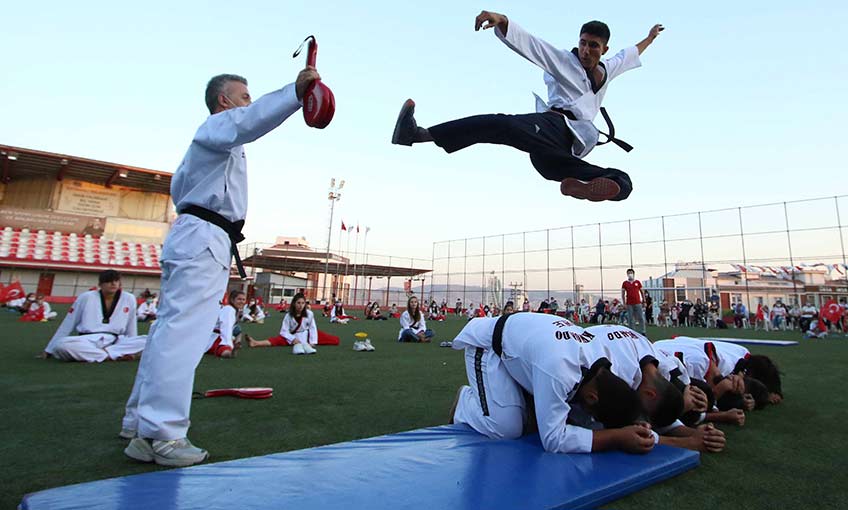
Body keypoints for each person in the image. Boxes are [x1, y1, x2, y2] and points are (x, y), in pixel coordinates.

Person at [122, 66, 320, 467]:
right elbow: (249, 121)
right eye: (244, 96)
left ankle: (138, 424)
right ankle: (162, 435)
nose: (249, 102)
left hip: (199, 236)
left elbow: (244, 126)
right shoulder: (215, 129)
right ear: (224, 101)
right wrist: (294, 94)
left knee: (167, 331)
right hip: (203, 238)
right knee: (183, 335)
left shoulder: (212, 148)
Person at [392, 11, 664, 202]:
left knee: (621, 181)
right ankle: (417, 134)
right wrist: (503, 21)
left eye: (593, 46)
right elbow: (533, 46)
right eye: (582, 43)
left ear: (603, 49)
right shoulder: (563, 61)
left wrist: (650, 37)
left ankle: (582, 188)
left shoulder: (609, 68)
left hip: (563, 151)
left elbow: (631, 53)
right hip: (552, 126)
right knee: (501, 125)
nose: (585, 50)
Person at [449, 313, 651, 453]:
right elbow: (553, 440)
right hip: (488, 347)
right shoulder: (559, 369)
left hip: (522, 349)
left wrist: (629, 420)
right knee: (507, 429)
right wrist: (618, 437)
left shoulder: (605, 366)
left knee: (537, 419)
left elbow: (615, 398)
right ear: (592, 397)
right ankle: (465, 403)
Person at [583, 325, 724, 452]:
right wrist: (686, 442)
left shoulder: (658, 363)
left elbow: (657, 410)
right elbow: (593, 429)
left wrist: (693, 433)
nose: (645, 424)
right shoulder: (617, 373)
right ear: (650, 394)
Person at [42, 270, 146, 362]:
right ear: (100, 284)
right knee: (61, 345)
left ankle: (104, 354)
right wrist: (49, 349)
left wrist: (132, 347)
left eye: (116, 281)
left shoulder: (129, 298)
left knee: (149, 340)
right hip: (88, 341)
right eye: (108, 281)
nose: (113, 283)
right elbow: (68, 323)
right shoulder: (86, 297)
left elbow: (131, 325)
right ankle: (107, 355)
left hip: (116, 341)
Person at [249, 292, 317, 354]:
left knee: (325, 338)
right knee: (276, 340)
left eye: (303, 303)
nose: (301, 305)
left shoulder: (309, 314)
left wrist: (312, 342)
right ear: (294, 303)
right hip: (292, 335)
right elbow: (283, 331)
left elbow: (312, 328)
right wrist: (292, 339)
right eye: (298, 303)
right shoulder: (288, 315)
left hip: (306, 334)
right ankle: (255, 343)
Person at [204, 290, 245, 358]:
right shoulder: (229, 309)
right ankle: (227, 352)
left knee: (238, 329)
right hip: (214, 335)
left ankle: (236, 344)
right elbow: (226, 327)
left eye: (243, 299)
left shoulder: (236, 310)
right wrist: (228, 345)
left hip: (216, 333)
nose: (242, 302)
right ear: (232, 300)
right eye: (239, 299)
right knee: (221, 348)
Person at [620, 269, 646, 334]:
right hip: (629, 303)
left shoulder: (637, 282)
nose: (630, 274)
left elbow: (642, 292)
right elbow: (623, 293)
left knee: (640, 317)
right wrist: (624, 303)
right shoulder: (625, 283)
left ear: (633, 274)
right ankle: (632, 332)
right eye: (628, 273)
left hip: (638, 302)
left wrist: (644, 301)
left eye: (631, 273)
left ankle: (643, 331)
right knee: (630, 318)